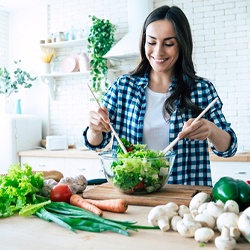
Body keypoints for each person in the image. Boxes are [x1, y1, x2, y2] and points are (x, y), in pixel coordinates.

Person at [83, 5, 237, 186]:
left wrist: (211, 130)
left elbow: (229, 148)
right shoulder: (123, 87)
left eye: (169, 43)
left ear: (182, 44)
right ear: (143, 42)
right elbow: (97, 143)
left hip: (185, 199)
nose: (158, 52)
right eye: (152, 42)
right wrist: (94, 128)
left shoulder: (201, 89)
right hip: (134, 195)